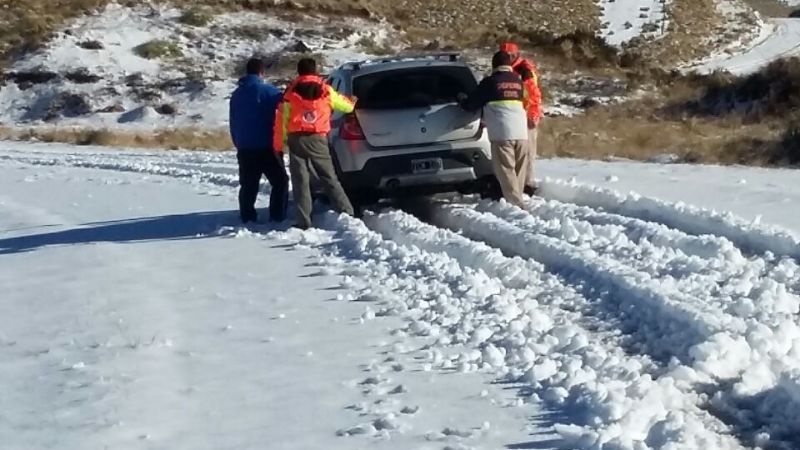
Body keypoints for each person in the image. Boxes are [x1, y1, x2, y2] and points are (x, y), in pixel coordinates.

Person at [273, 57, 355, 230]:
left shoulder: (290, 92)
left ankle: (304, 221)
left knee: (300, 180)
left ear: (299, 71)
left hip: (296, 138)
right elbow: (346, 107)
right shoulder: (325, 89)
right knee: (328, 177)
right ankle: (347, 212)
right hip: (318, 138)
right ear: (315, 70)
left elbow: (281, 120)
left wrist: (278, 146)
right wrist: (352, 101)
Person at [460, 51, 529, 207]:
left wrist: (461, 100)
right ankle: (519, 198)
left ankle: (515, 205)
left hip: (502, 133)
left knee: (506, 170)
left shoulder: (490, 83)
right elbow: (526, 100)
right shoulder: (519, 82)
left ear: (494, 65)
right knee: (518, 170)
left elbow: (471, 104)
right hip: (522, 133)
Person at [229, 57, 288, 224]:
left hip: (245, 146)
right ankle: (277, 215)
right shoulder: (270, 92)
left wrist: (237, 141)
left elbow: (233, 121)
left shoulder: (236, 95)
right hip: (267, 145)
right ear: (262, 72)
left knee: (248, 184)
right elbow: (286, 109)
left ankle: (247, 216)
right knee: (280, 181)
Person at [499, 42, 543, 195]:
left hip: (526, 115)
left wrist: (532, 115)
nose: (507, 58)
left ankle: (528, 184)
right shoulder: (509, 69)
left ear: (516, 55)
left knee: (528, 151)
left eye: (510, 55)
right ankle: (518, 182)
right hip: (514, 115)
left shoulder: (524, 70)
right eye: (505, 55)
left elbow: (534, 93)